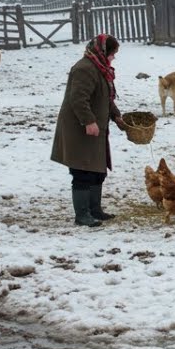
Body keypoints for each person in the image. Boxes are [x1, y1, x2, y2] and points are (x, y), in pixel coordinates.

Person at [51, 33, 127, 227]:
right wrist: (88, 121)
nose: (113, 58)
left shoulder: (100, 68)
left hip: (94, 127)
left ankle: (95, 209)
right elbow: (78, 99)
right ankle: (82, 215)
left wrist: (116, 116)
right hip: (79, 128)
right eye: (112, 53)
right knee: (82, 172)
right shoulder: (84, 69)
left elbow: (105, 98)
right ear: (103, 51)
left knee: (97, 171)